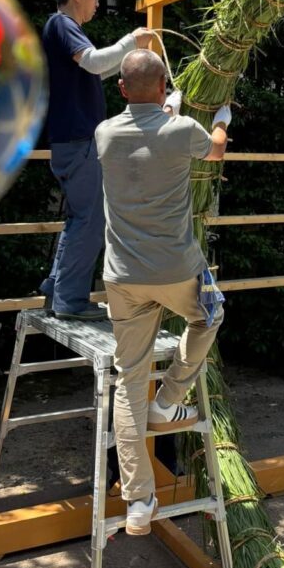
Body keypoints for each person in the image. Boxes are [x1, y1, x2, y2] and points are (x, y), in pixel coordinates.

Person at [95, 50, 231, 535]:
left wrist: (166, 108)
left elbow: (146, 130)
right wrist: (222, 119)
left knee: (129, 379)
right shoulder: (183, 131)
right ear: (162, 87)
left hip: (123, 276)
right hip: (177, 271)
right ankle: (170, 398)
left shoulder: (105, 133)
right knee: (210, 315)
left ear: (121, 88)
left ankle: (138, 500)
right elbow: (215, 150)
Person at [39, 0, 153, 319]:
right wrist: (131, 42)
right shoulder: (62, 24)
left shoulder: (65, 30)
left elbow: (97, 70)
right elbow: (93, 62)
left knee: (80, 218)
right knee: (91, 220)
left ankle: (56, 290)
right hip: (79, 139)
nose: (98, 1)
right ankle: (70, 301)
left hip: (72, 140)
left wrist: (128, 55)